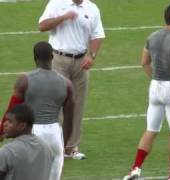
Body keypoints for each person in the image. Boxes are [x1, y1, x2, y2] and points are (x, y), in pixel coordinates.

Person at [123, 3, 170, 180]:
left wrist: (156, 79)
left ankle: (135, 168)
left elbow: (144, 63)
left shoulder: (152, 36)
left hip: (155, 87)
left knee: (151, 130)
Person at [38, 0, 105, 159]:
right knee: (55, 103)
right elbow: (42, 26)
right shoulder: (56, 3)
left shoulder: (91, 8)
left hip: (81, 62)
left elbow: (98, 34)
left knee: (77, 104)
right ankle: (53, 146)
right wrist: (63, 17)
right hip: (58, 59)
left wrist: (92, 55)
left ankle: (71, 147)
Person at [0, 41, 74, 180]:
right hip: (55, 134)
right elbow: (69, 119)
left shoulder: (24, 80)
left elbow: (12, 110)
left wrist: (2, 132)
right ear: (52, 57)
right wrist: (64, 144)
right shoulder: (66, 84)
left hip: (33, 133)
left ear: (34, 58)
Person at [0, 104, 53, 180]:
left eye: (10, 121)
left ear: (22, 126)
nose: (5, 124)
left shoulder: (8, 150)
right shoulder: (46, 148)